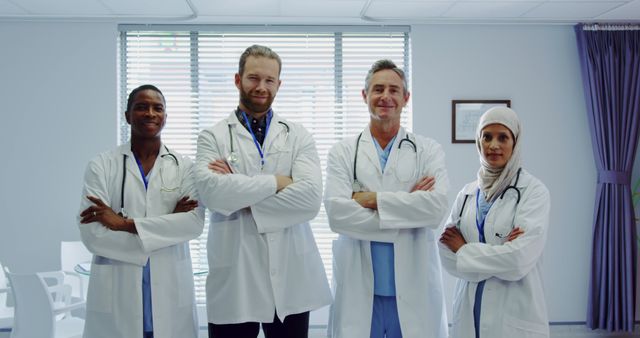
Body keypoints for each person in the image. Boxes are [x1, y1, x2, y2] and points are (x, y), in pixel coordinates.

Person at [194, 44, 332, 338]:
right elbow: (213, 194)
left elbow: (309, 199)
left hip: (290, 276)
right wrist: (278, 182)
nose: (261, 87)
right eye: (253, 78)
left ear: (279, 84)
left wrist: (241, 195)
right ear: (237, 80)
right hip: (236, 276)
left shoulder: (297, 134)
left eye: (269, 80)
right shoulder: (213, 135)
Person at [324, 59, 450, 338]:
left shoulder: (428, 150)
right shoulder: (343, 152)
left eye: (394, 90)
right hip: (360, 291)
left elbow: (435, 210)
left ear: (406, 98)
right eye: (378, 89)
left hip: (413, 287)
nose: (386, 96)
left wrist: (371, 199)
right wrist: (407, 207)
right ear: (364, 96)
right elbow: (337, 214)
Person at [77, 84, 205, 338]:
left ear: (166, 117)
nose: (150, 113)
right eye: (141, 107)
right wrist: (167, 227)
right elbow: (92, 233)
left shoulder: (185, 167)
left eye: (158, 108)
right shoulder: (102, 165)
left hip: (169, 293)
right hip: (118, 296)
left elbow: (192, 224)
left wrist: (124, 224)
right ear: (127, 115)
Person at [439, 106, 550, 338]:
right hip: (470, 314)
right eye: (486, 137)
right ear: (478, 141)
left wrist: (464, 250)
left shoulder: (533, 191)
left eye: (503, 137)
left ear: (515, 142)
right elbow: (445, 255)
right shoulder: (467, 194)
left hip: (513, 315)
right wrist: (500, 255)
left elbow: (518, 260)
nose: (494, 145)